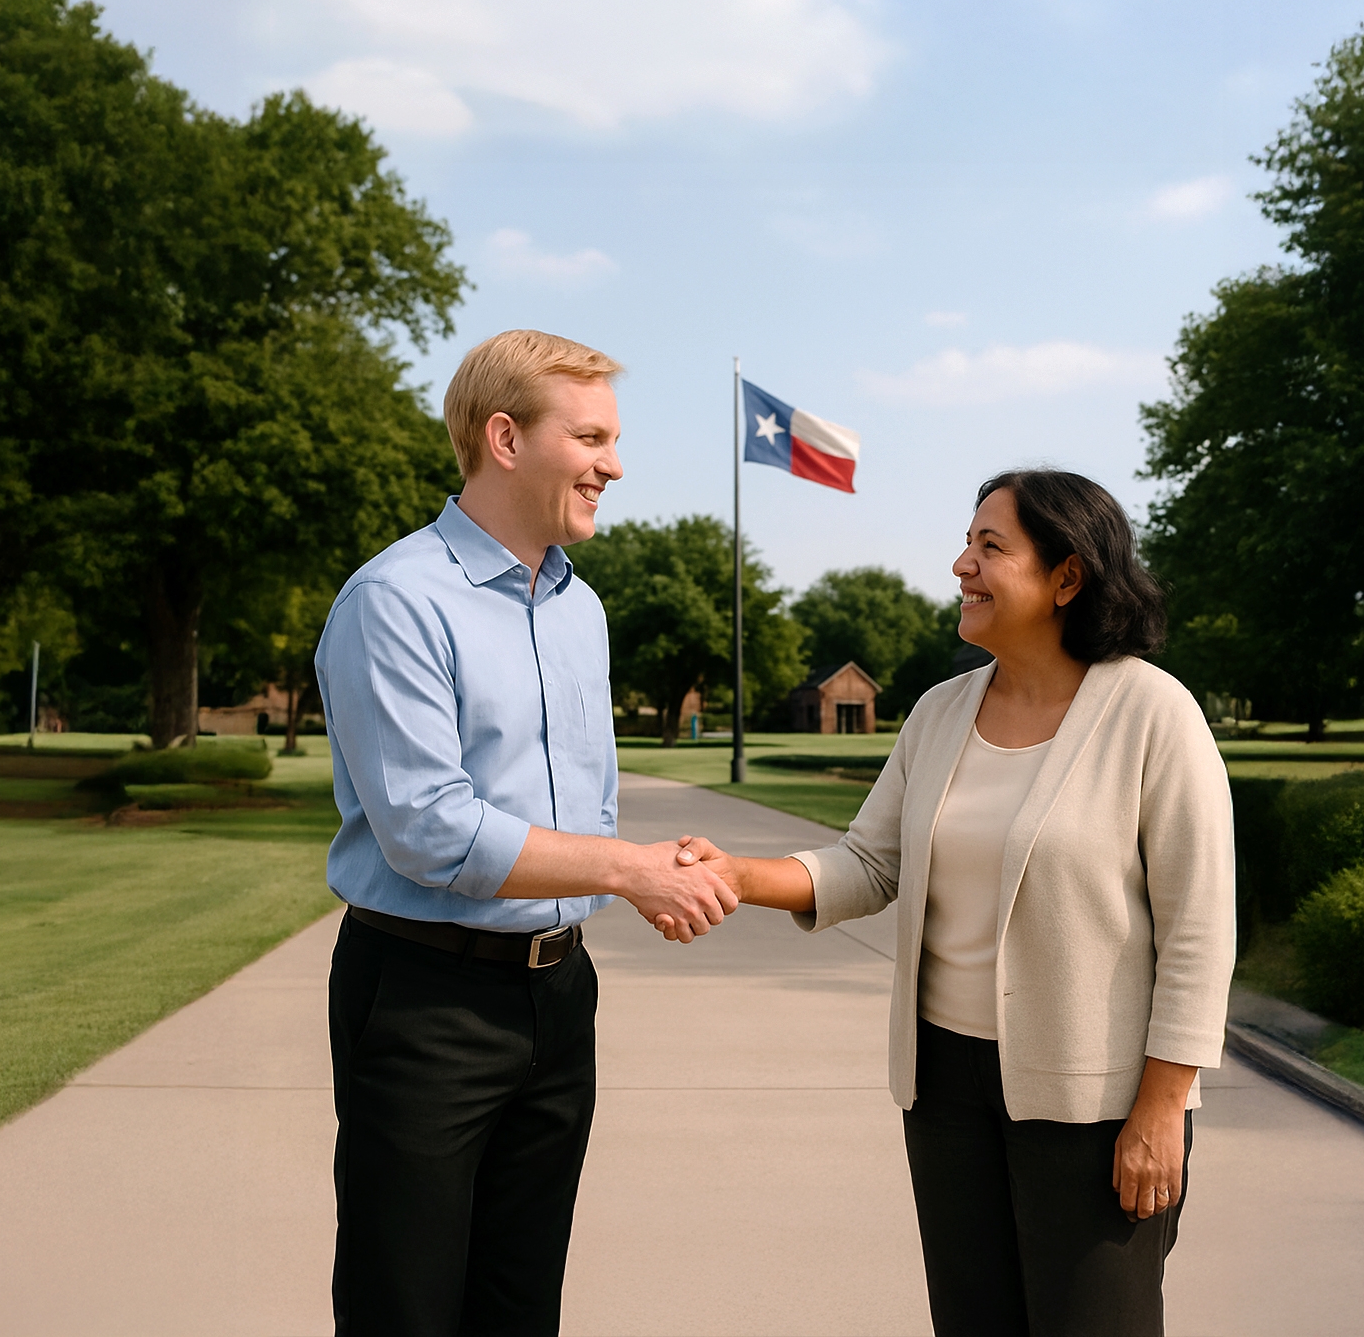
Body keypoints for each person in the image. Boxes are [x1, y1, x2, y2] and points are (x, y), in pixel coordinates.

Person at [678, 469, 1234, 1337]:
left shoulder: (1153, 714)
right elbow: (869, 862)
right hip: (944, 1090)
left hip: (1095, 1105)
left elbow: (1200, 929)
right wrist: (738, 875)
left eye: (990, 547)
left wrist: (1163, 1108)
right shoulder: (939, 713)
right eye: (967, 542)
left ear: (1066, 578)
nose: (961, 565)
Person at [315, 328, 736, 1337]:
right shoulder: (397, 600)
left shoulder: (578, 609)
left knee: (518, 1305)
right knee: (407, 1306)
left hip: (557, 994)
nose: (615, 464)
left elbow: (567, 811)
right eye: (589, 436)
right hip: (424, 1002)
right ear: (504, 439)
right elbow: (428, 828)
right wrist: (630, 870)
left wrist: (646, 868)